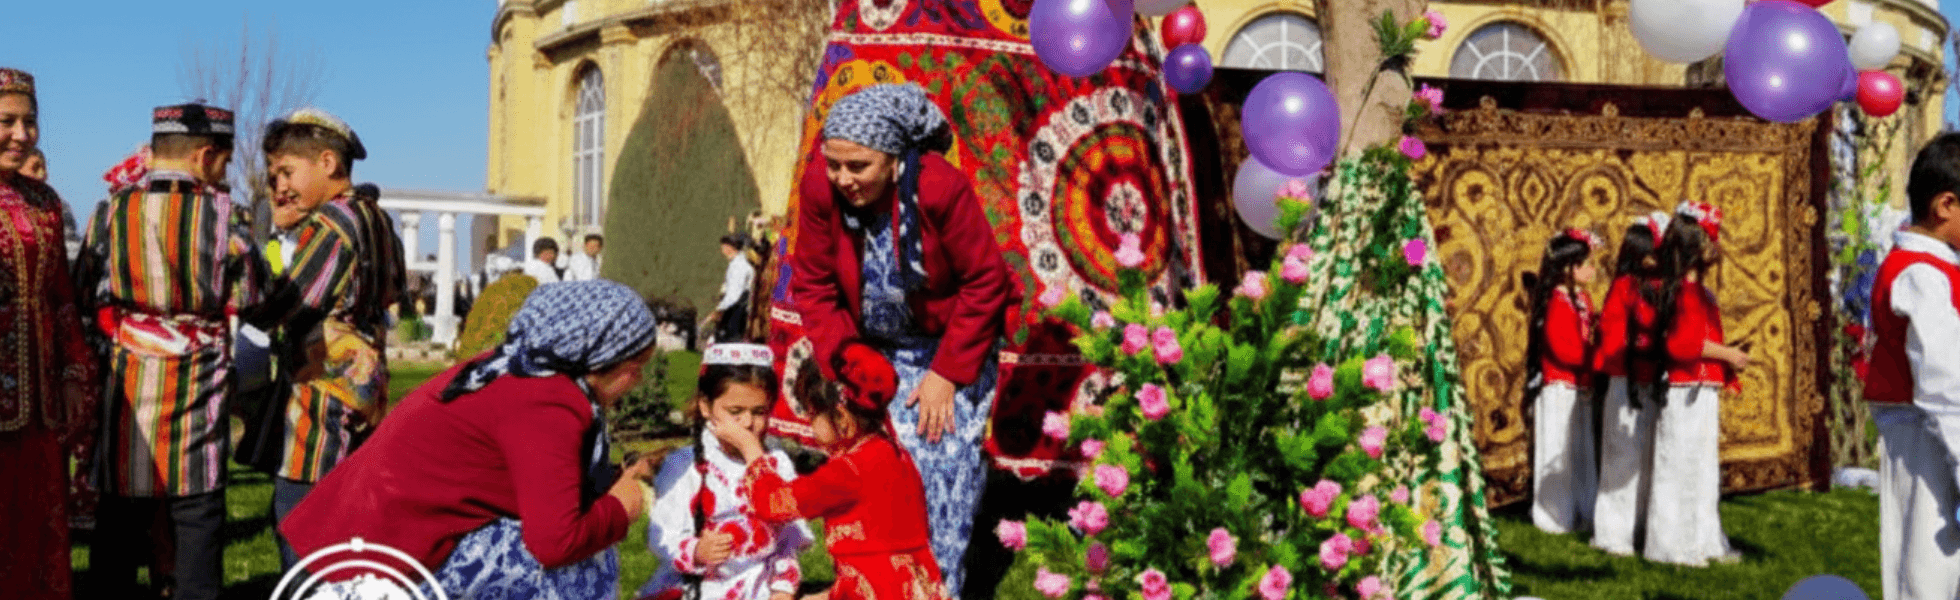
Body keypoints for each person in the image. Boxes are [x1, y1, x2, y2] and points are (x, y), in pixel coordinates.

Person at [281, 280, 659, 600]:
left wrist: (612, 479)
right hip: (377, 570)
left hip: (348, 542)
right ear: (600, 356)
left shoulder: (512, 369)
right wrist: (622, 507)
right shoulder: (548, 402)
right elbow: (555, 541)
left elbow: (535, 477)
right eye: (634, 368)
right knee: (586, 561)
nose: (638, 382)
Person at [790, 83, 1012, 595]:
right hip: (871, 348)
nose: (843, 179)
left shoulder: (938, 186)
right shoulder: (821, 189)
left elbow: (986, 281)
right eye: (834, 164)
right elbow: (814, 283)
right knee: (871, 469)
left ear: (894, 161)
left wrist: (946, 376)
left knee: (934, 467)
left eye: (858, 166)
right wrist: (848, 357)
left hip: (949, 346)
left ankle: (935, 588)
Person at [75, 101, 264, 600]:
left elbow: (80, 291)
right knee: (197, 513)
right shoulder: (230, 220)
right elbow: (254, 299)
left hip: (127, 383)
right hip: (197, 387)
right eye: (224, 161)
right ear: (206, 156)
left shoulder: (110, 213)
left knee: (118, 514)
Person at [245, 107, 393, 570]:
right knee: (348, 516)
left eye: (286, 172)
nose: (278, 187)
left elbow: (289, 297)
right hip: (364, 383)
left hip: (321, 394)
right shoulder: (375, 218)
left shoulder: (330, 224)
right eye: (273, 178)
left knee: (301, 514)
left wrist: (249, 299)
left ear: (328, 163)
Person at [712, 343, 949, 600]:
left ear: (841, 418)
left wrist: (750, 449)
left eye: (812, 414)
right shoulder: (896, 453)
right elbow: (880, 550)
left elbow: (773, 503)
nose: (809, 423)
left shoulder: (848, 471)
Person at [0, 66, 100, 600]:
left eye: (29, 122)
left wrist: (73, 369)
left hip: (36, 407)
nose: (21, 135)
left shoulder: (44, 203)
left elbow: (61, 298)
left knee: (33, 526)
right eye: (7, 122)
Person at [640, 343, 812, 600]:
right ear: (706, 407)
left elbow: (787, 541)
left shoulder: (777, 464)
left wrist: (782, 589)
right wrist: (697, 551)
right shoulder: (685, 465)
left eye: (759, 412)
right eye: (735, 412)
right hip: (698, 586)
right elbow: (663, 534)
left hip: (758, 586)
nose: (747, 423)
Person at [1866, 133, 1960, 600]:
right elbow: (1945, 378)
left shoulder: (1932, 269)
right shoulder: (1922, 273)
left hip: (1932, 428)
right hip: (1927, 429)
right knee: (1929, 562)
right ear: (1946, 205)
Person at [1639, 201, 1749, 567]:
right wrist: (1726, 354)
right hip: (1685, 388)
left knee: (1702, 469)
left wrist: (1726, 358)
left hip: (1702, 389)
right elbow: (1680, 345)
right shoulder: (1679, 296)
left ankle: (1704, 540)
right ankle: (1671, 545)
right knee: (1678, 466)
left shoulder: (1702, 296)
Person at [1590, 213, 1666, 556]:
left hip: (1654, 382)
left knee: (1650, 458)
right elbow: (1611, 334)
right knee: (1622, 457)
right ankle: (1612, 533)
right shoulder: (1623, 288)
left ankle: (1643, 526)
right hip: (1626, 382)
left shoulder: (1660, 285)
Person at [1523, 228, 1601, 535]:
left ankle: (1584, 508)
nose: (1593, 270)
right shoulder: (1557, 301)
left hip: (1581, 385)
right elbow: (1561, 346)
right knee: (1558, 450)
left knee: (1580, 448)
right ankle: (1553, 515)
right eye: (1586, 264)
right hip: (1560, 386)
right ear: (1568, 268)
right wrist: (1593, 358)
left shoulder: (1583, 299)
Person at [713, 233, 756, 344]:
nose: (722, 249)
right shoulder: (736, 264)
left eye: (724, 246)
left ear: (729, 247)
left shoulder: (739, 266)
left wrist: (719, 309)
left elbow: (734, 295)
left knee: (728, 344)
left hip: (735, 312)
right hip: (734, 310)